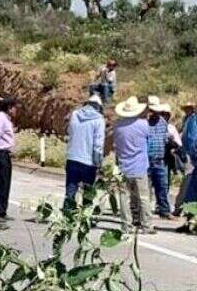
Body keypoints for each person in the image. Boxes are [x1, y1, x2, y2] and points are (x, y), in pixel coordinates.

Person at [112, 97, 153, 233]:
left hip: (123, 165)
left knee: (124, 196)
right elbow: (149, 139)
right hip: (140, 165)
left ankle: (126, 225)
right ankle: (147, 225)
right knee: (143, 197)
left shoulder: (117, 125)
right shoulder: (143, 124)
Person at [64, 94, 105, 210]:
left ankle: (68, 216)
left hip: (72, 158)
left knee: (70, 190)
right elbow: (98, 145)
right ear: (98, 107)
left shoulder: (75, 114)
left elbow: (68, 132)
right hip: (88, 162)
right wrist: (98, 164)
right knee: (88, 193)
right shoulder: (99, 120)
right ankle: (84, 218)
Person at [145, 97, 179, 220]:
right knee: (146, 188)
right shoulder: (144, 122)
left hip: (159, 158)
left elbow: (164, 138)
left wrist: (171, 142)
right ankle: (144, 212)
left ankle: (164, 211)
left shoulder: (162, 123)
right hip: (146, 159)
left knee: (162, 186)